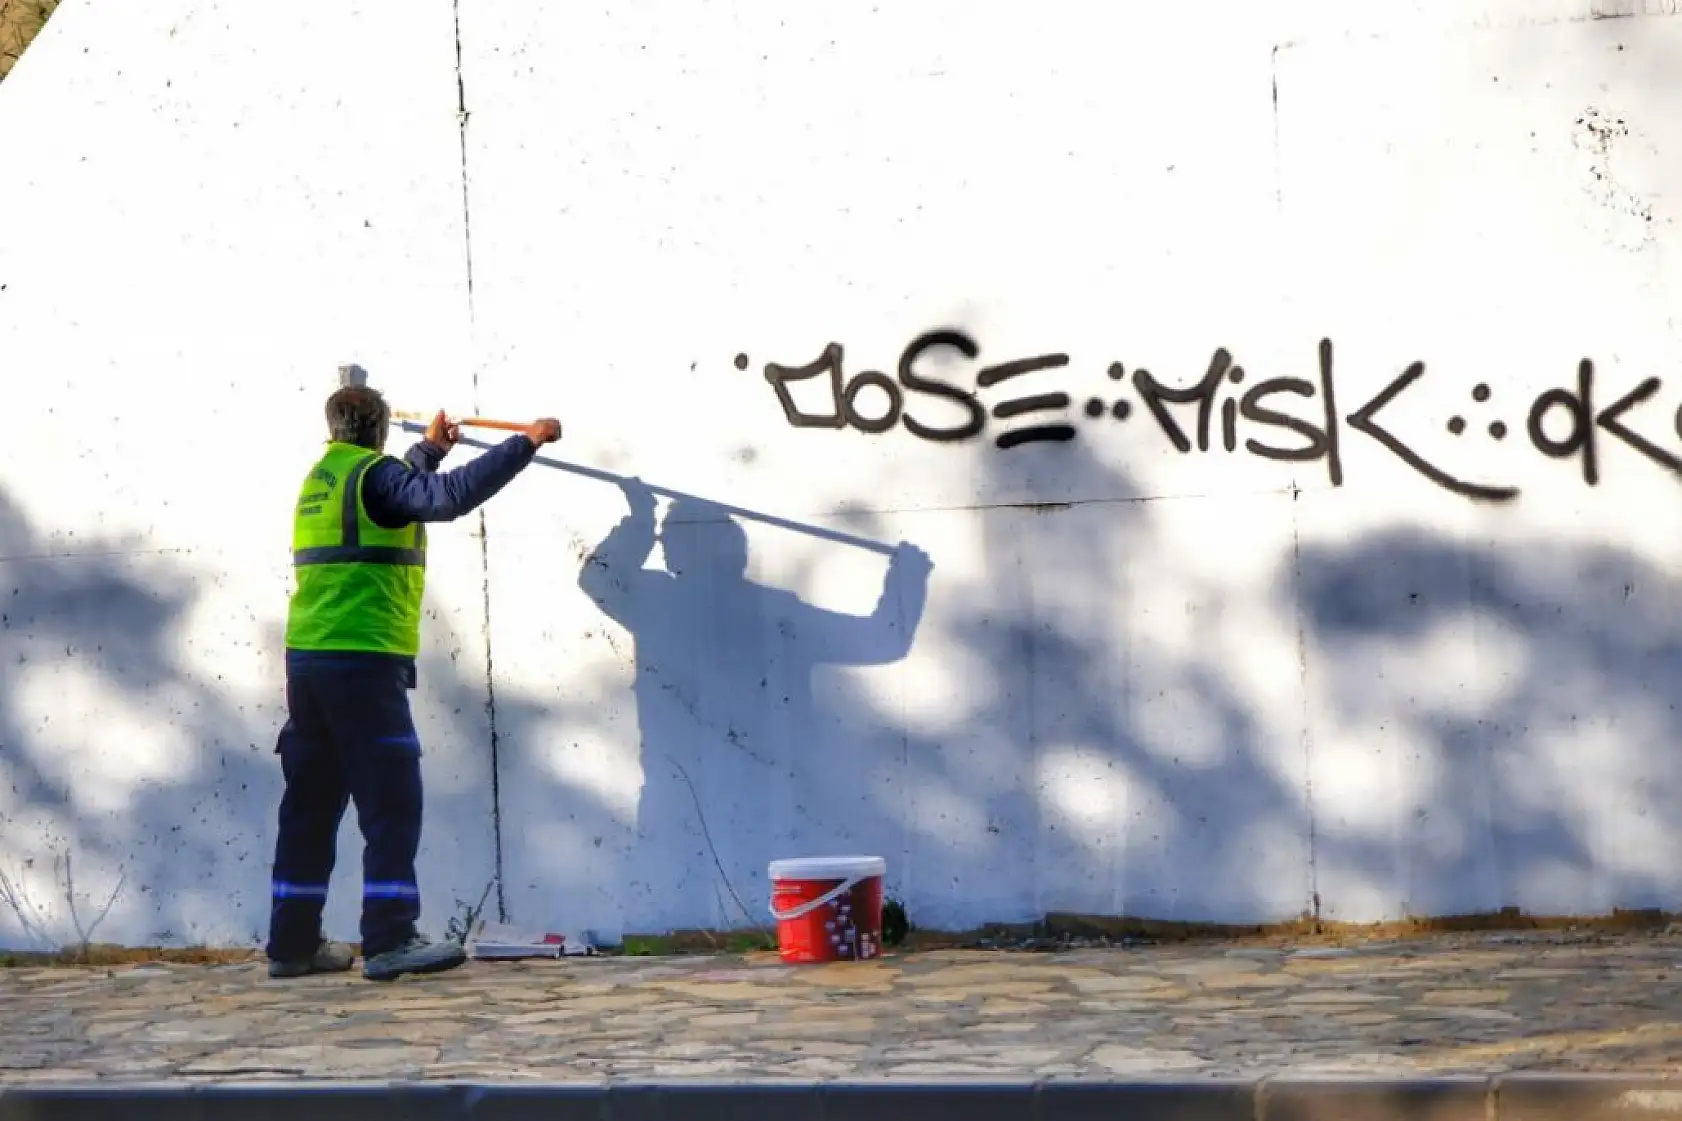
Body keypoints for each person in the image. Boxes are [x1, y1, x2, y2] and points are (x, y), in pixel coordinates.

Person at [266, 384, 561, 982]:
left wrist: (428, 451)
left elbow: (394, 497)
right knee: (392, 804)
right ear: (379, 428)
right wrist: (523, 444)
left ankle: (292, 945)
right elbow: (442, 500)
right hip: (362, 664)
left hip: (309, 666)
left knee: (309, 810)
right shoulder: (373, 476)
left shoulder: (325, 477)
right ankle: (391, 938)